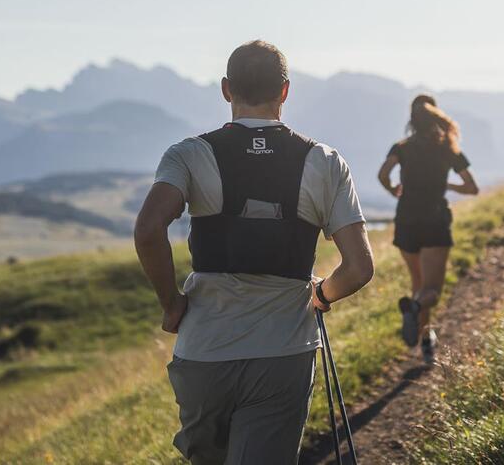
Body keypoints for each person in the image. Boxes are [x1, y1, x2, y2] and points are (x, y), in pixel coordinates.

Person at [134, 40, 374, 465]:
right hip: (283, 353)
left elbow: (150, 229)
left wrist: (171, 304)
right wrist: (322, 295)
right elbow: (358, 268)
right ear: (285, 91)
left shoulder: (190, 154)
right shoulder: (325, 161)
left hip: (204, 351)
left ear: (226, 89)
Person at [377, 94, 479, 363]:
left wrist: (393, 190)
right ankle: (418, 318)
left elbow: (382, 175)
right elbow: (472, 187)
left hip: (406, 220)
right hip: (434, 221)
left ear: (411, 120)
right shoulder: (448, 149)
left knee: (418, 284)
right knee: (430, 290)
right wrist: (447, 185)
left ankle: (425, 340)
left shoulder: (401, 147)